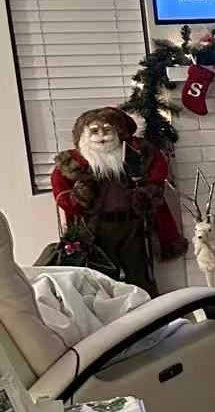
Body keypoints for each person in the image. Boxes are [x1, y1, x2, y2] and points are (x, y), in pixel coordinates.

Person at [50, 107, 187, 294]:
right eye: (95, 131)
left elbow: (156, 176)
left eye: (107, 130)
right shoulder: (73, 163)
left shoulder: (136, 154)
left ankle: (149, 314)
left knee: (139, 273)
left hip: (133, 225)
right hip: (96, 229)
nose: (101, 136)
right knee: (103, 276)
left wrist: (146, 193)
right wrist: (79, 195)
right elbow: (62, 194)